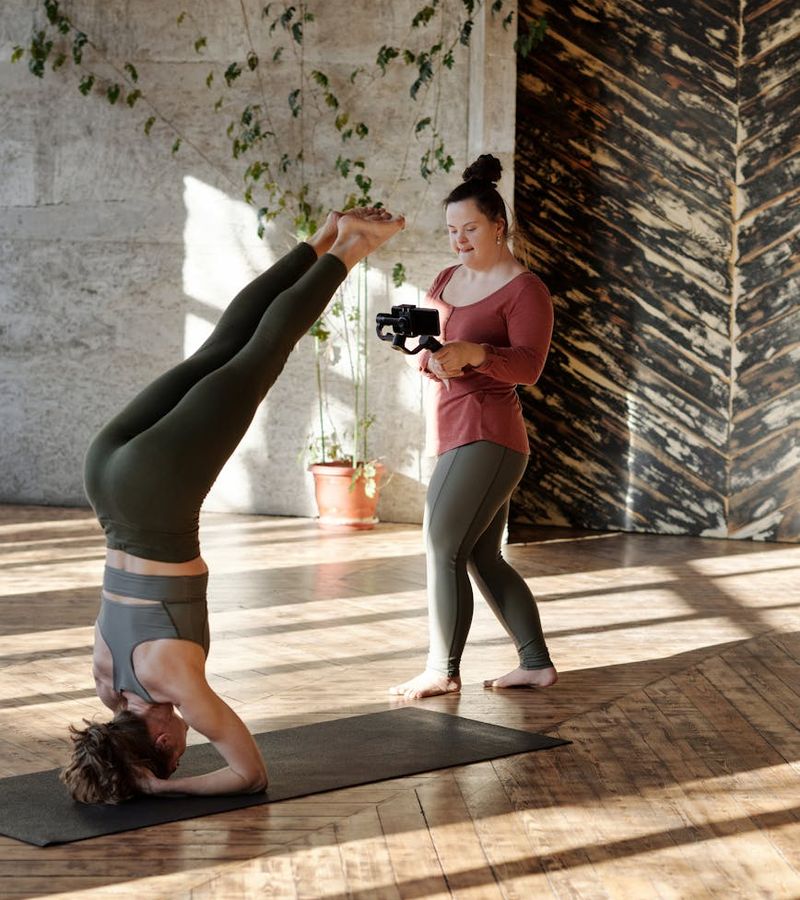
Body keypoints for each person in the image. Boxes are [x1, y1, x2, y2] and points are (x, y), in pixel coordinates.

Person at [63, 207, 405, 803]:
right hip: (106, 476)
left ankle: (350, 246)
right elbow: (121, 735)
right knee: (222, 347)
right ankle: (321, 238)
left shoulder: (179, 687)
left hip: (159, 489)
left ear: (163, 742)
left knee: (263, 353)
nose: (187, 743)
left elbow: (250, 776)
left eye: (177, 753)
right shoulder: (107, 684)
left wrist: (162, 790)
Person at [389, 154, 557, 700]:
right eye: (451, 230)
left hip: (489, 433)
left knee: (441, 545)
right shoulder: (446, 279)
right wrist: (429, 356)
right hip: (453, 430)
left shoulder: (525, 290)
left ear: (498, 226)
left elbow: (528, 366)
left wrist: (476, 353)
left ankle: (442, 669)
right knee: (483, 556)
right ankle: (535, 664)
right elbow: (431, 350)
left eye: (470, 229)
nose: (458, 240)